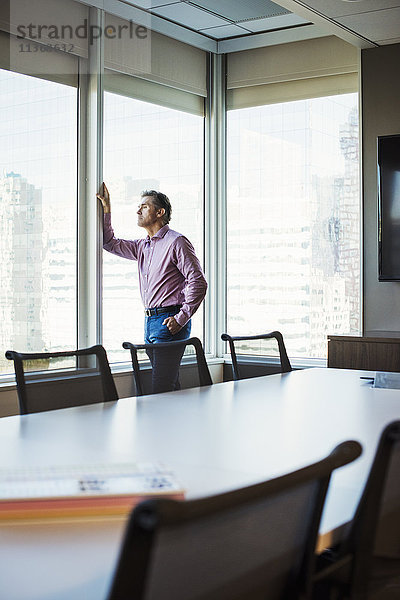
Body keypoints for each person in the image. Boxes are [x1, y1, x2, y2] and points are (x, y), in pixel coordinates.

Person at [97, 183, 207, 394]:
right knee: (169, 386)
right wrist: (107, 209)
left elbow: (198, 281)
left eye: (144, 206)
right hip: (150, 321)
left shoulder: (177, 242)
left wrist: (181, 318)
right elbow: (108, 242)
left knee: (161, 388)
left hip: (170, 321)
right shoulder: (142, 246)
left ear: (160, 212)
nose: (138, 211)